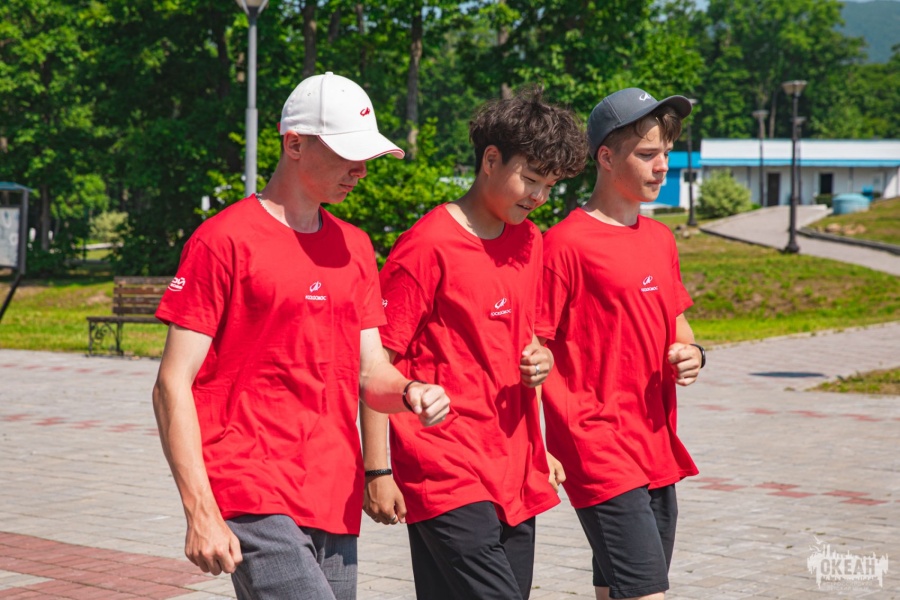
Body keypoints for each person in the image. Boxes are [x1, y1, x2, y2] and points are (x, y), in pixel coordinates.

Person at [151, 72, 450, 600]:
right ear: (294, 144)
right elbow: (171, 384)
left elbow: (370, 372)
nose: (361, 170)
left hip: (333, 490)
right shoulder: (223, 240)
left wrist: (410, 391)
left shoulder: (355, 247)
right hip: (250, 487)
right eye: (348, 154)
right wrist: (200, 510)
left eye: (367, 157)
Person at [360, 88, 586, 600]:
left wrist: (541, 368)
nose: (539, 196)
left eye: (550, 185)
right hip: (444, 466)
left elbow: (524, 339)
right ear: (490, 159)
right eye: (531, 179)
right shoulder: (426, 245)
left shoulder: (531, 240)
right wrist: (377, 469)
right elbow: (375, 365)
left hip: (515, 466)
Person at [535, 87, 705, 600]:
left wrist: (692, 354)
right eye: (648, 154)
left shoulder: (660, 238)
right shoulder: (563, 245)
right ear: (606, 158)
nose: (662, 166)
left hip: (655, 443)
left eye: (666, 154)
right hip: (597, 446)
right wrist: (535, 448)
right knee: (647, 591)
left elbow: (678, 325)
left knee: (616, 589)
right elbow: (530, 349)